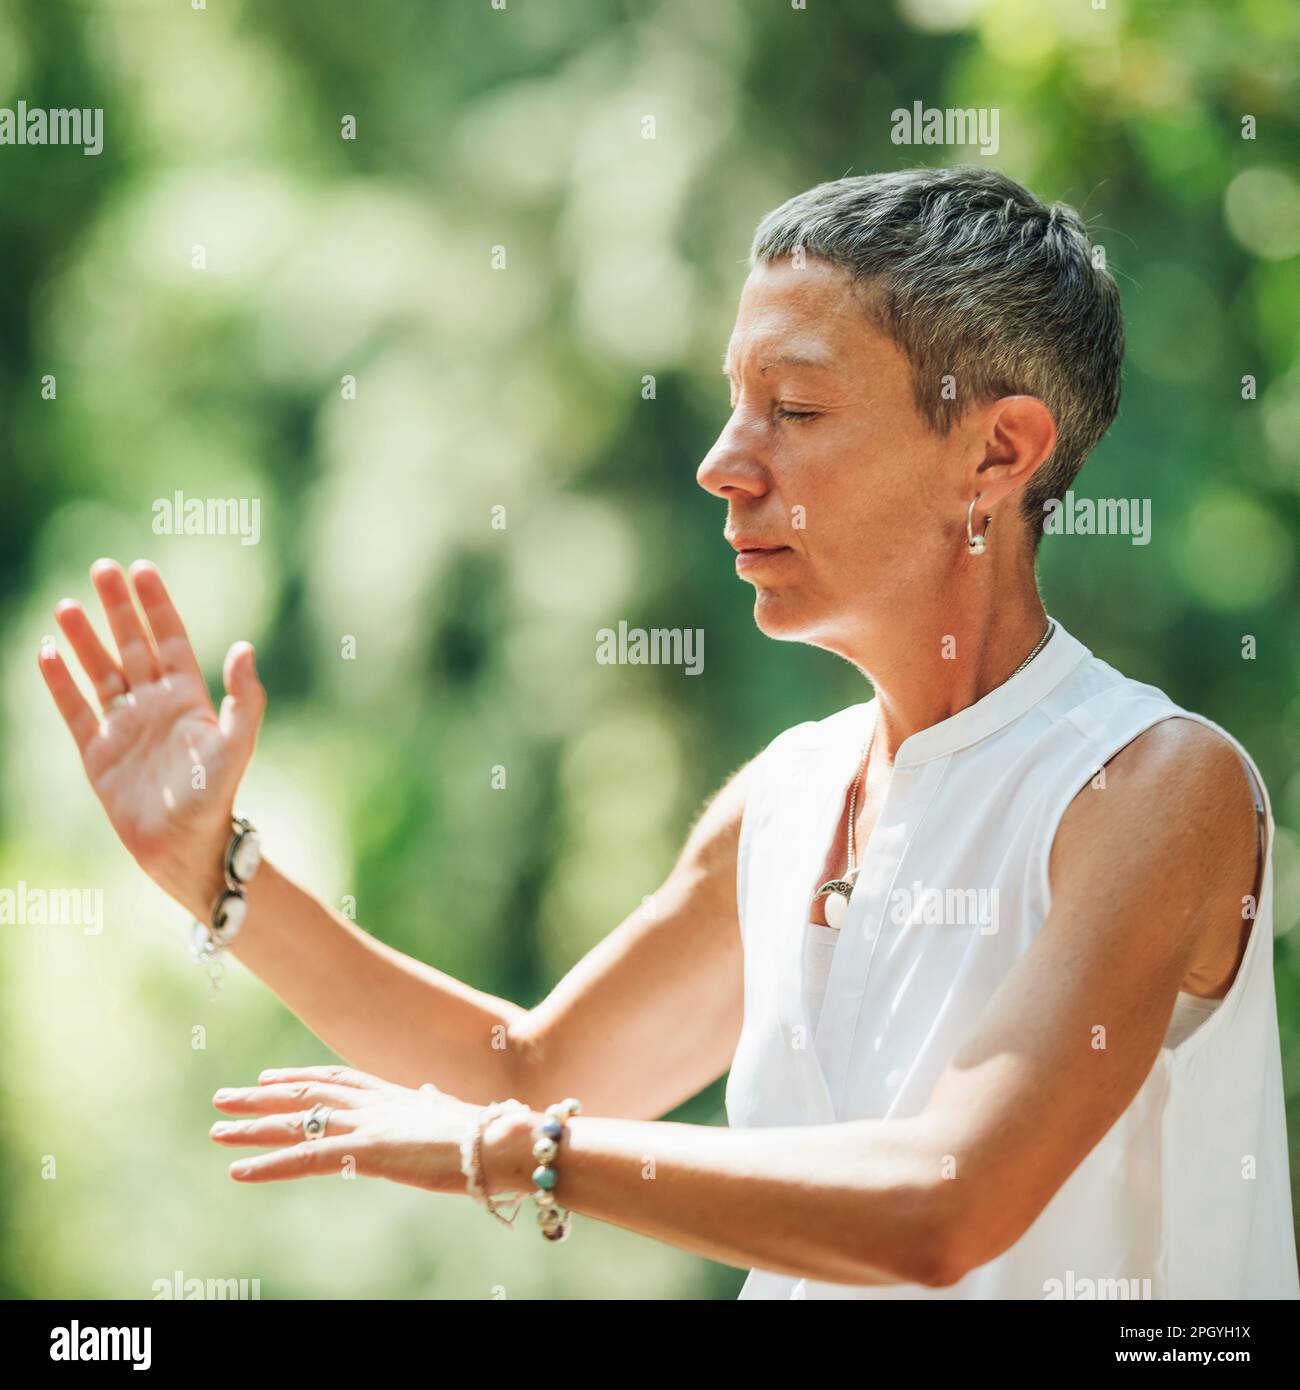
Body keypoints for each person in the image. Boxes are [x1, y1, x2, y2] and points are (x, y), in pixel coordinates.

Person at [39, 166, 1299, 1298]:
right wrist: (212, 871)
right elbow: (531, 1073)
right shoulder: (790, 791)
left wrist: (503, 1157)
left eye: (792, 410)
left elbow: (943, 1208)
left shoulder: (1151, 787)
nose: (721, 462)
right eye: (732, 403)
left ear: (997, 452)